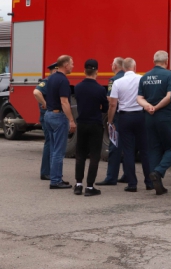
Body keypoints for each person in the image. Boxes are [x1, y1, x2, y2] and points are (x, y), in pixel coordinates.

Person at [104, 58, 152, 192]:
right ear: (135, 67)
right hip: (141, 116)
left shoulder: (117, 82)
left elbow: (113, 104)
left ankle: (132, 184)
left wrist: (110, 121)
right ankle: (149, 182)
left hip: (125, 117)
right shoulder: (142, 79)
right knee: (145, 151)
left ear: (123, 68)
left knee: (128, 151)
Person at [137, 50, 171, 195]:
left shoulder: (145, 76)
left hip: (149, 117)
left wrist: (148, 106)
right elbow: (170, 96)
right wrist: (157, 107)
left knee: (153, 149)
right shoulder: (170, 75)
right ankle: (158, 172)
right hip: (165, 116)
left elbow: (139, 97)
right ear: (166, 62)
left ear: (154, 61)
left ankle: (156, 182)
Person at [72, 59, 108, 196]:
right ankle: (90, 187)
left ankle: (78, 184)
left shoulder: (77, 87)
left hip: (81, 123)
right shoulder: (100, 89)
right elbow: (105, 107)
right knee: (94, 155)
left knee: (80, 154)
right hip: (95, 124)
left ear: (84, 70)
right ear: (97, 71)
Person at [44, 55, 77, 189]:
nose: (73, 66)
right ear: (65, 65)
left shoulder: (51, 78)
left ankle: (54, 176)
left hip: (49, 115)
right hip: (58, 117)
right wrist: (71, 120)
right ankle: (56, 180)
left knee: (53, 149)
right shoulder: (63, 80)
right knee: (59, 150)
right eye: (72, 64)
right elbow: (64, 101)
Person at [105, 57, 128, 184]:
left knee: (114, 146)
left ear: (114, 66)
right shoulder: (132, 78)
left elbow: (111, 100)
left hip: (118, 116)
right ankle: (128, 175)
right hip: (130, 115)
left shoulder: (114, 80)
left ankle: (111, 177)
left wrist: (110, 120)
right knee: (128, 146)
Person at [32, 62, 58, 181]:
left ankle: (50, 170)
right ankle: (45, 172)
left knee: (52, 143)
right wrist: (45, 104)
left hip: (49, 116)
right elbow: (36, 92)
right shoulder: (47, 81)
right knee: (49, 143)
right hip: (47, 116)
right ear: (53, 70)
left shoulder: (54, 82)